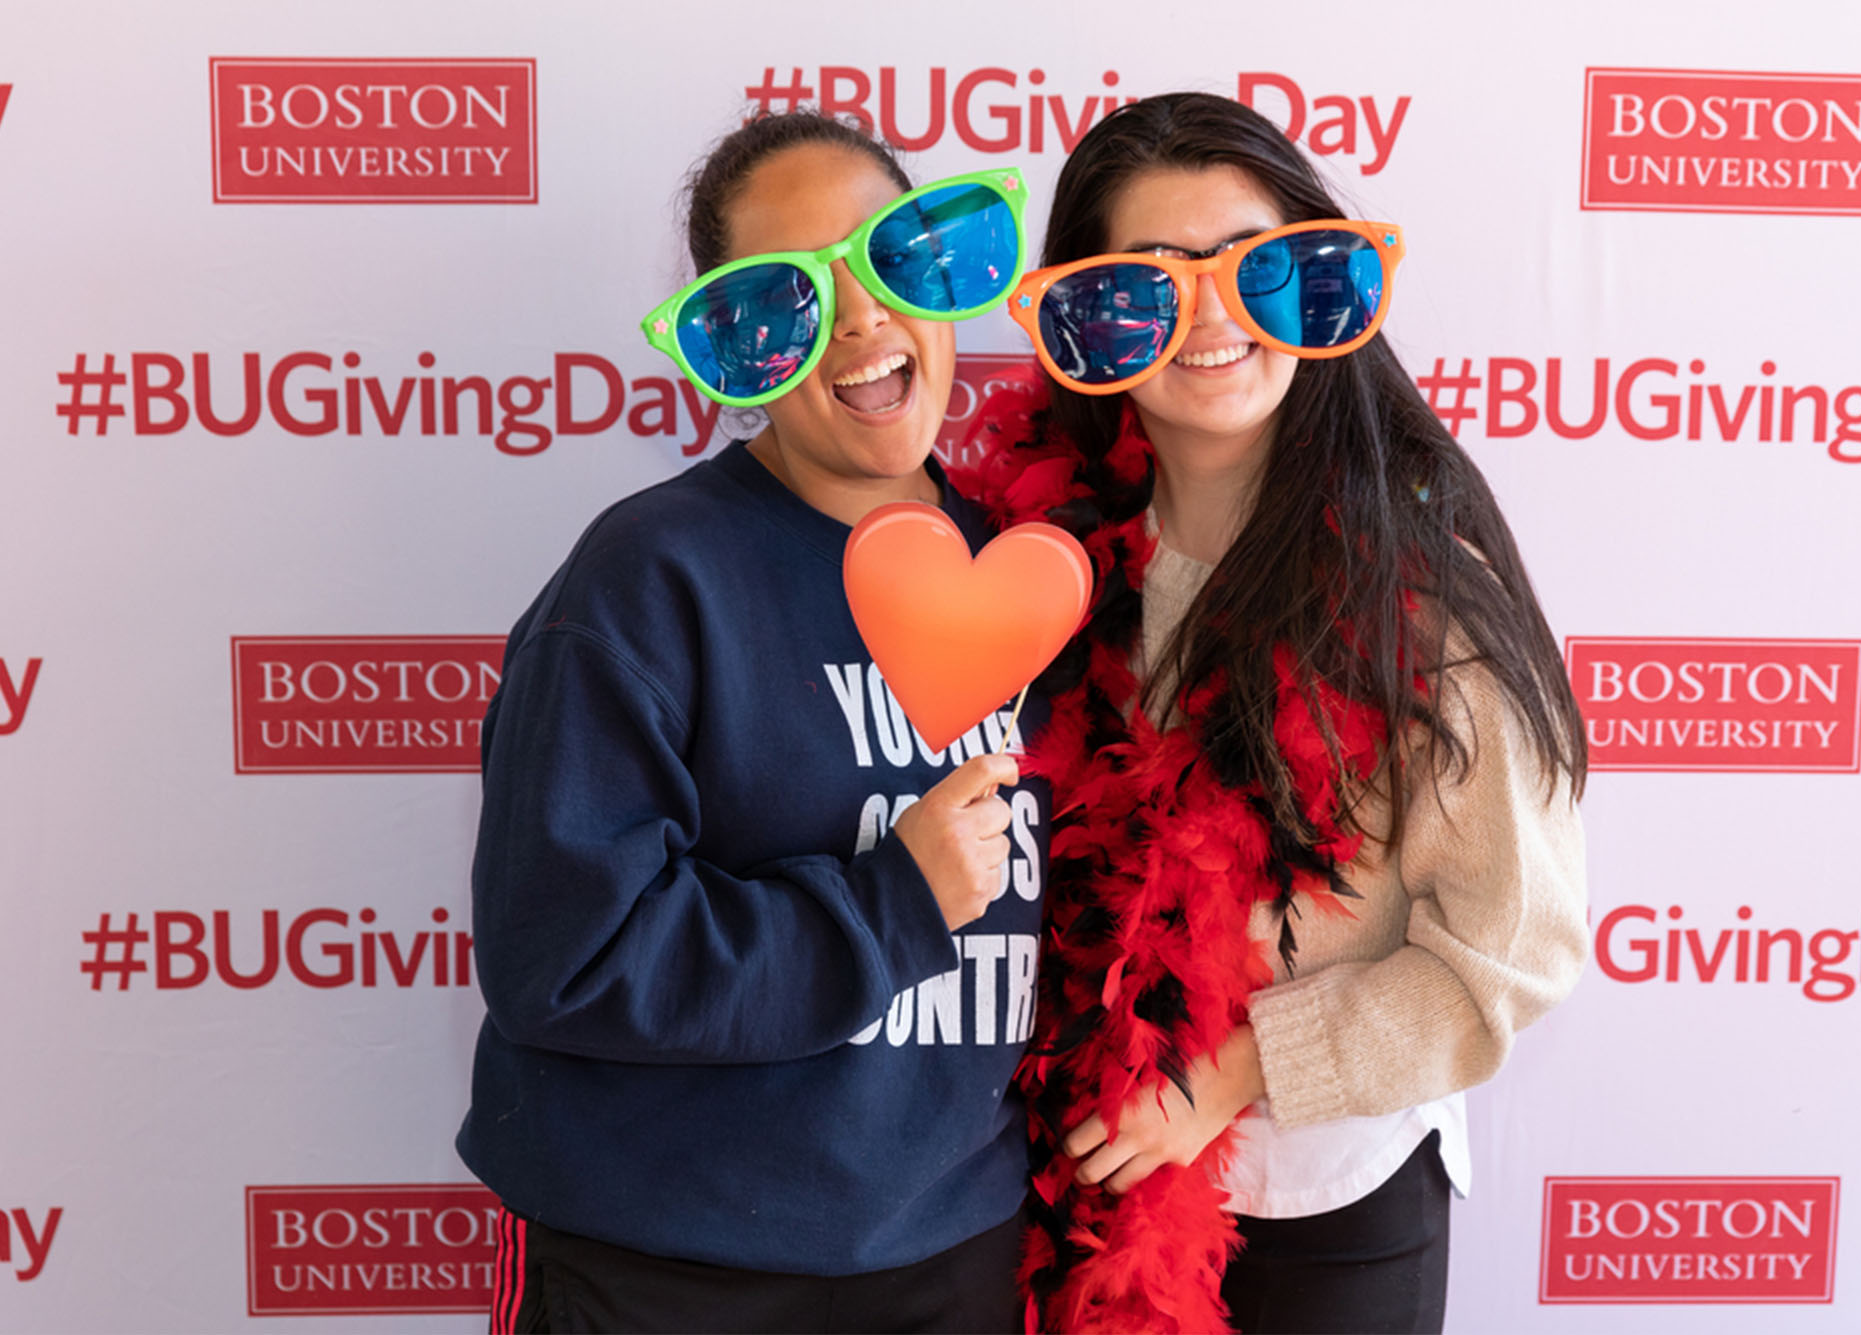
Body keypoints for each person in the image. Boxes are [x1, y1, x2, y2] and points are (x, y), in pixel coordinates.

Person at [961, 92, 1590, 1334]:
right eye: (1148, 283)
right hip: (1074, 1192)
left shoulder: (1419, 603)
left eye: (1253, 265)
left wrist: (1232, 1073)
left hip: (1329, 1208)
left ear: (1318, 282)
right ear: (1088, 322)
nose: (1205, 316)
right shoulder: (1039, 568)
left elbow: (1510, 956)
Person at [456, 110, 1048, 1334]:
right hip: (669, 1266)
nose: (862, 322)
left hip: (956, 1257)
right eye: (793, 298)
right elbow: (559, 960)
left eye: (892, 262)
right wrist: (892, 903)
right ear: (742, 348)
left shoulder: (1036, 575)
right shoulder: (648, 579)